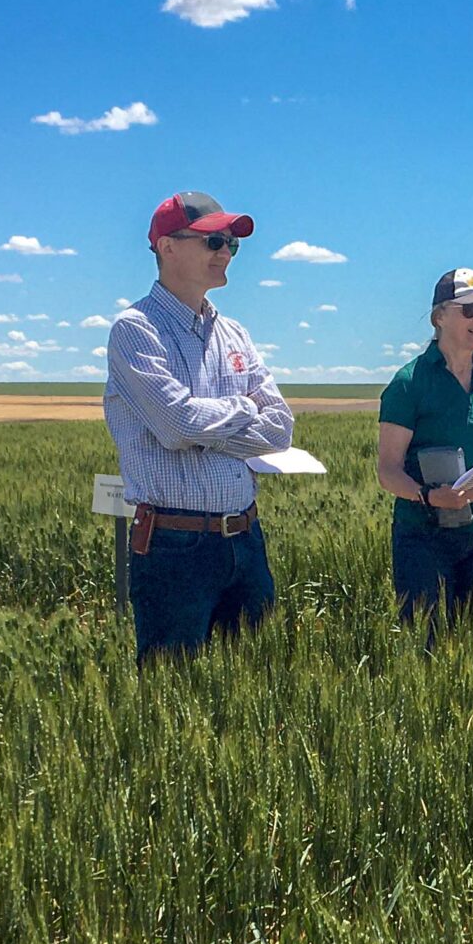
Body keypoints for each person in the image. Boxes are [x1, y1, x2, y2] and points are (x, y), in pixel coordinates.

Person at [103, 191, 294, 661]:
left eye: (232, 243)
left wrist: (206, 426)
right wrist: (245, 408)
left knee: (254, 688)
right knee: (172, 694)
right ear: (167, 247)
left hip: (247, 540)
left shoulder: (235, 333)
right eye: (213, 242)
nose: (226, 252)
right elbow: (176, 424)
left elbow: (281, 429)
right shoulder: (136, 329)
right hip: (173, 547)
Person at [376, 267, 473, 623]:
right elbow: (388, 471)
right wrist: (429, 496)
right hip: (424, 537)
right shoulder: (409, 383)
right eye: (469, 310)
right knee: (426, 643)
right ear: (439, 316)